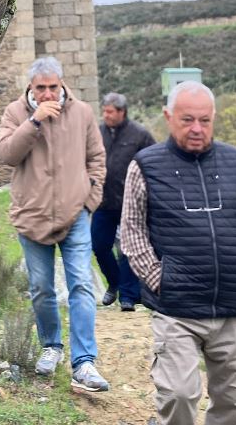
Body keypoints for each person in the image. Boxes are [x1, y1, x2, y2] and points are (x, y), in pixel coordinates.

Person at [121, 81, 236, 425]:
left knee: (233, 406)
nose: (196, 129)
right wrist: (161, 281)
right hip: (177, 309)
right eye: (187, 119)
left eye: (204, 121)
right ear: (168, 116)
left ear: (214, 118)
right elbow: (132, 233)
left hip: (233, 307)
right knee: (178, 395)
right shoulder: (145, 166)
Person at [0, 56, 110, 393]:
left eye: (53, 87)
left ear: (61, 84)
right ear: (31, 88)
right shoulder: (14, 113)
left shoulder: (82, 113)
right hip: (32, 217)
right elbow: (6, 155)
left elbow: (97, 160)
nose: (47, 93)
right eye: (40, 88)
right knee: (42, 288)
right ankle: (52, 346)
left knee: (81, 285)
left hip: (75, 214)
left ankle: (84, 361)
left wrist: (90, 201)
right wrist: (33, 121)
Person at [93, 92, 155, 311]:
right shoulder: (97, 133)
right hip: (102, 201)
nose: (106, 115)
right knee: (99, 246)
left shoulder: (140, 135)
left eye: (110, 112)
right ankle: (115, 282)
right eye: (104, 111)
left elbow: (153, 164)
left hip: (132, 203)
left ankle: (128, 296)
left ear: (122, 112)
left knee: (128, 249)